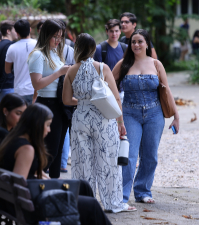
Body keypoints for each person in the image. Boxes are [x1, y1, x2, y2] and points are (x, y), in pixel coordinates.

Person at [0, 103, 112, 225]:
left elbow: (25, 174)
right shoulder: (25, 149)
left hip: (13, 197)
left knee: (83, 186)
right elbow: (19, 185)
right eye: (48, 125)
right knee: (92, 206)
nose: (49, 130)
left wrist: (47, 179)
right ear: (37, 125)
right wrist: (51, 187)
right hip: (27, 205)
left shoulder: (15, 139)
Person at [62, 33, 136, 213]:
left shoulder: (70, 71)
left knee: (82, 163)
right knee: (108, 162)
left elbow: (65, 100)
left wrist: (84, 101)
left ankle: (84, 203)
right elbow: (116, 97)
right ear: (94, 49)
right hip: (104, 120)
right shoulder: (103, 68)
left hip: (81, 120)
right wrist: (120, 121)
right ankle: (113, 203)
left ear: (76, 49)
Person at [112, 29, 179, 204]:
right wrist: (114, 113)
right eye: (133, 42)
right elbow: (108, 86)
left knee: (150, 156)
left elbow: (166, 89)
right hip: (130, 113)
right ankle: (122, 196)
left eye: (140, 41)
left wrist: (176, 116)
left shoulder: (156, 64)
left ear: (147, 43)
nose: (136, 45)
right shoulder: (123, 64)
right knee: (130, 155)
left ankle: (143, 191)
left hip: (154, 114)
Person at [27, 19, 71, 179]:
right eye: (55, 36)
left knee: (58, 149)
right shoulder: (38, 55)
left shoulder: (54, 53)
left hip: (60, 105)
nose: (58, 40)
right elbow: (37, 84)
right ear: (46, 35)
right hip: (46, 105)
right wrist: (59, 73)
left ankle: (54, 183)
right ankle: (35, 180)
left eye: (60, 37)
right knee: (49, 149)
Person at [5, 19, 37, 104]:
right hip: (36, 90)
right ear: (30, 29)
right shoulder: (39, 45)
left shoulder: (12, 48)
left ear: (16, 32)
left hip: (19, 91)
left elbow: (7, 70)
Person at [0, 20, 18, 108]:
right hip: (9, 86)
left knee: (0, 118)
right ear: (8, 31)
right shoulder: (12, 46)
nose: (17, 32)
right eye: (15, 30)